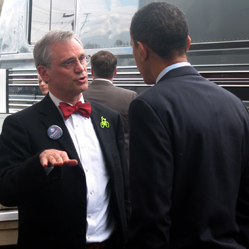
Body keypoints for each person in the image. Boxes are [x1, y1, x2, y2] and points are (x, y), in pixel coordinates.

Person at [125, 2, 249, 249]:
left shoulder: (148, 106)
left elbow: (151, 214)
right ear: (188, 43)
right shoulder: (234, 103)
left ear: (141, 50)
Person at [0, 30, 130, 249]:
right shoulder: (21, 125)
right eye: (69, 62)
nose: (81, 68)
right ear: (44, 73)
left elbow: (122, 186)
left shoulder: (110, 118)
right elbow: (5, 191)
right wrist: (38, 164)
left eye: (82, 58)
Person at [84, 50, 137, 160]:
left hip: (88, 159)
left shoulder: (78, 96)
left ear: (92, 71)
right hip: (121, 161)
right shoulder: (130, 97)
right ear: (115, 72)